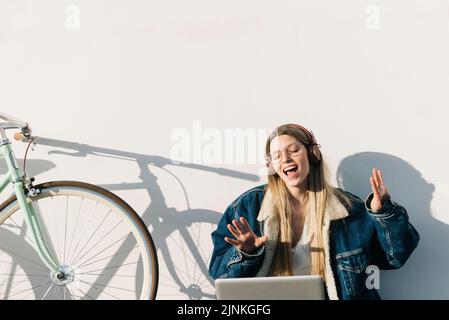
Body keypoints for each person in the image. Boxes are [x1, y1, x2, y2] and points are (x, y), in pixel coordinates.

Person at [208, 123, 420, 299]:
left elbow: (395, 258)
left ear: (312, 153)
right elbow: (220, 277)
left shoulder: (350, 210)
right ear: (272, 165)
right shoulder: (248, 207)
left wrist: (383, 213)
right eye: (277, 156)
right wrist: (246, 253)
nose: (286, 159)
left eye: (293, 150)